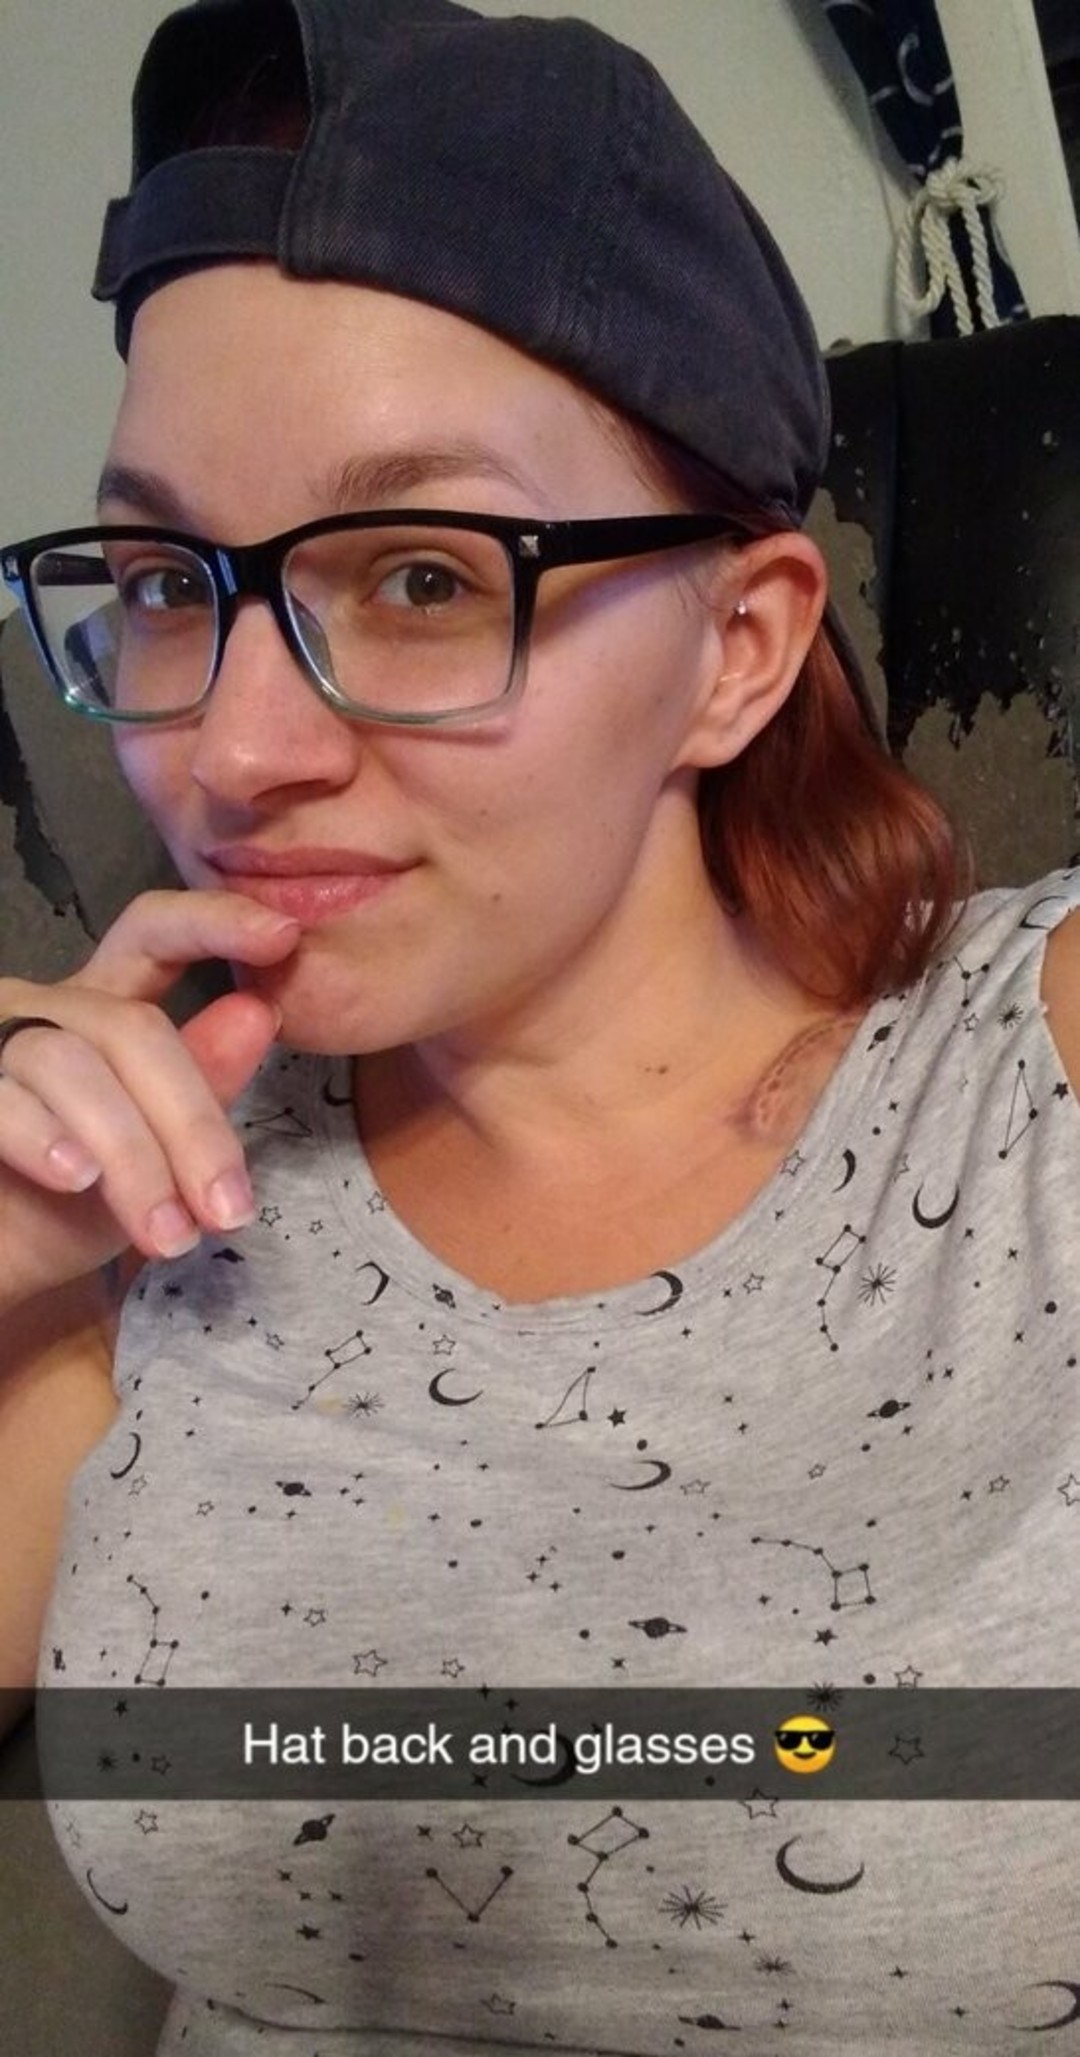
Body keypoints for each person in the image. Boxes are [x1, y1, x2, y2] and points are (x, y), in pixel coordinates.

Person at [1, 1, 1078, 2051]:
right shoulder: (138, 1192)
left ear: (737, 649)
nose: (230, 750)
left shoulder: (1036, 1083)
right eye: (163, 578)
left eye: (420, 576)